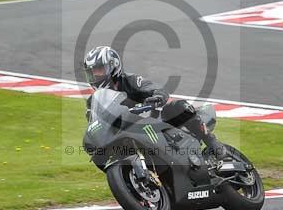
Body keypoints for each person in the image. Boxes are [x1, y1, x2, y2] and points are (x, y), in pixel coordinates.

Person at [83, 45, 227, 159]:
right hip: (129, 133)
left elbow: (155, 89)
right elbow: (95, 123)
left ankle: (212, 142)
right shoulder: (94, 101)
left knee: (178, 106)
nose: (95, 75)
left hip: (155, 121)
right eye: (92, 72)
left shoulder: (130, 81)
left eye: (99, 70)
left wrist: (156, 97)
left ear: (113, 66)